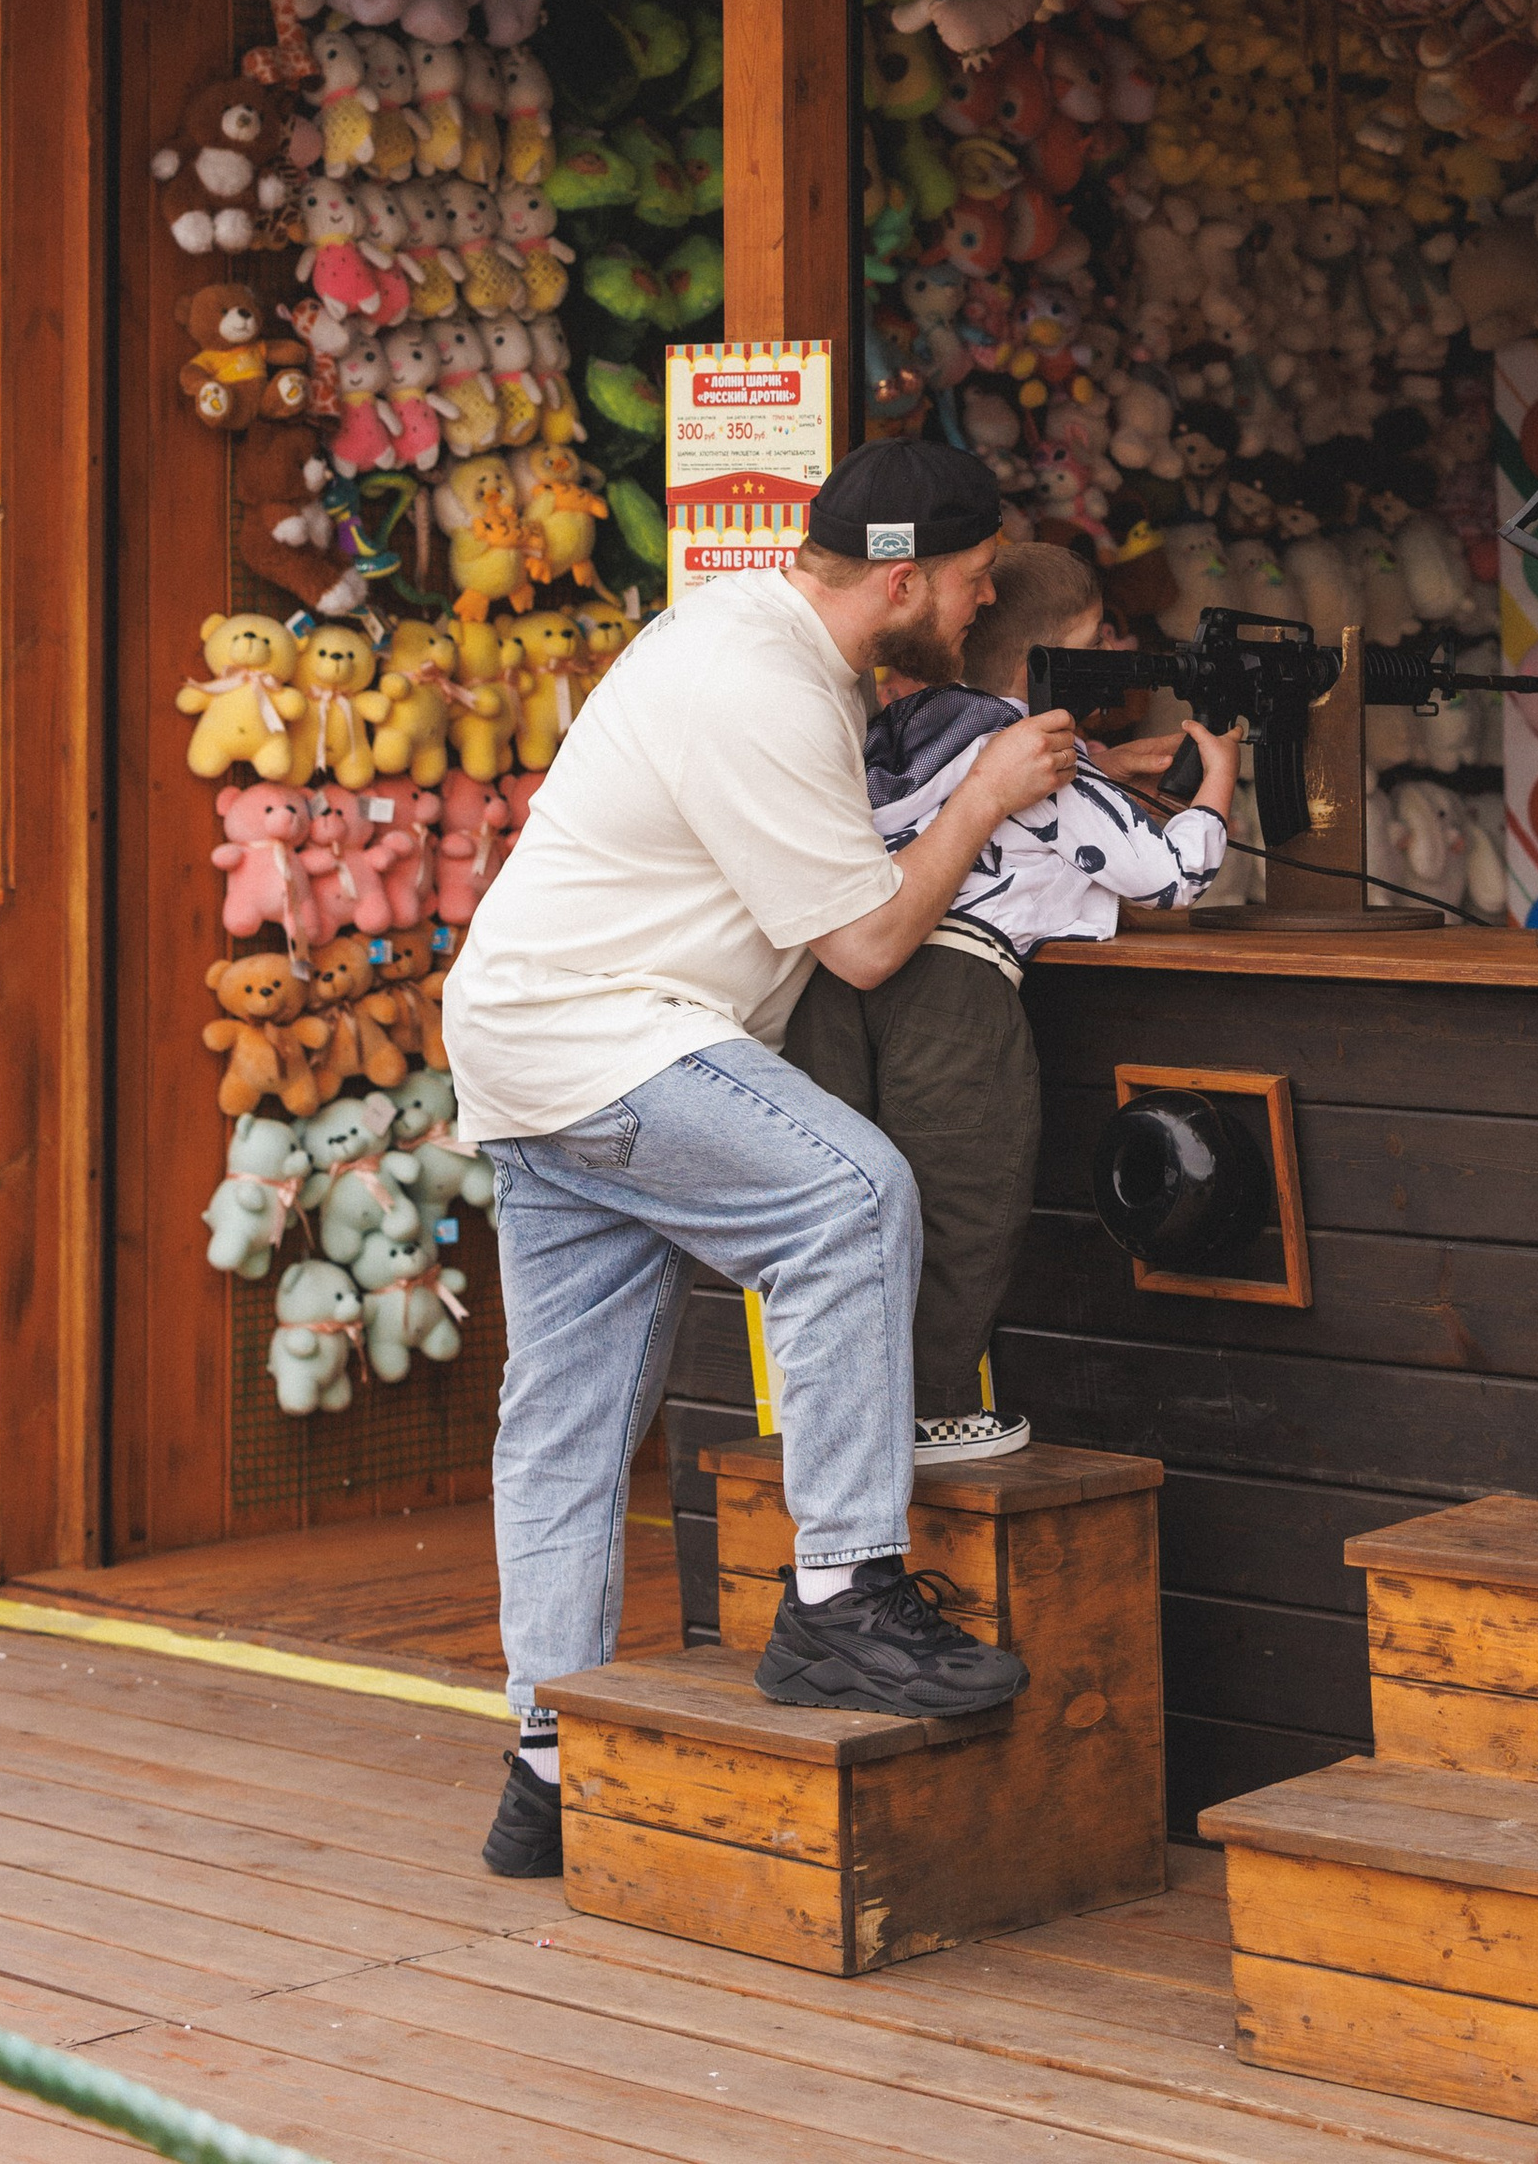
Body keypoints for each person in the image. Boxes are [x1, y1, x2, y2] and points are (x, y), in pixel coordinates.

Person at [441, 440, 1078, 1882]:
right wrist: (979, 794)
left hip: (534, 1032)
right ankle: (842, 1590)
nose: (981, 613)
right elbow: (859, 941)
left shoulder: (761, 637)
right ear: (906, 579)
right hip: (605, 1032)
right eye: (975, 587)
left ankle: (546, 1765)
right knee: (850, 1195)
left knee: (566, 1419)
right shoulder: (764, 681)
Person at [788, 540, 1238, 1468]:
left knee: (837, 1218)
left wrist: (1109, 771)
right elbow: (1171, 878)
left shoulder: (891, 730)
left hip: (831, 988)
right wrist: (1218, 770)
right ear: (1051, 667)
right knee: (963, 1202)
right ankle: (938, 1411)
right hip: (954, 992)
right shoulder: (1036, 754)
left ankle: (837, 1412)